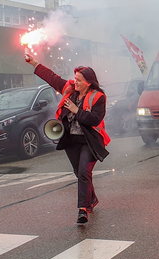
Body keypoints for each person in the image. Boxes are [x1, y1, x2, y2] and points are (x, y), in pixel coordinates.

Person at [24, 53, 110, 224]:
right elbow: (52, 78)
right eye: (75, 78)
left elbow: (94, 120)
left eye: (79, 80)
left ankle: (82, 210)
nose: (75, 82)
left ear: (88, 83)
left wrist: (75, 110)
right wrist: (33, 62)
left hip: (89, 141)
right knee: (79, 173)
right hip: (71, 140)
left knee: (85, 172)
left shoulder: (98, 97)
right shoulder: (70, 89)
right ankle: (91, 199)